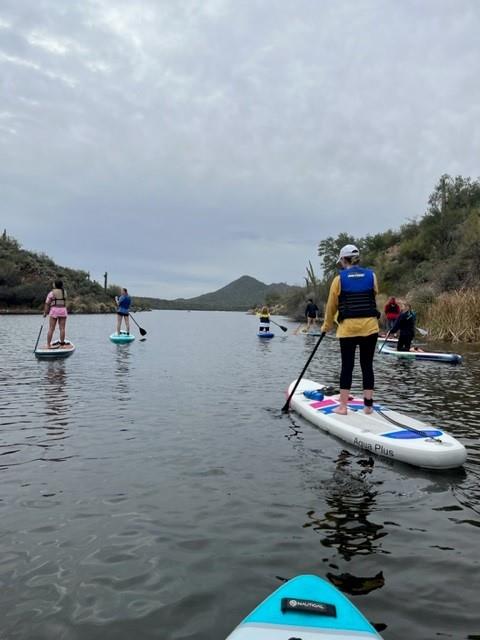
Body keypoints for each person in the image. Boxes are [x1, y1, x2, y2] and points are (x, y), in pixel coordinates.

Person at [320, 244, 380, 415]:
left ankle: (343, 407)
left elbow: (331, 307)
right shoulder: (372, 275)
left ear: (343, 260)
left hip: (348, 330)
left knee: (347, 366)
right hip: (370, 328)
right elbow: (373, 294)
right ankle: (368, 406)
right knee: (367, 365)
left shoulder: (339, 280)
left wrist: (326, 327)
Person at [43, 279, 68, 348]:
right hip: (63, 310)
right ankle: (62, 345)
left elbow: (47, 303)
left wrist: (45, 313)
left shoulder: (51, 293)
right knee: (62, 328)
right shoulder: (64, 292)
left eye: (53, 283)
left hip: (54, 311)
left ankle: (48, 345)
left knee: (51, 328)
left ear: (55, 285)